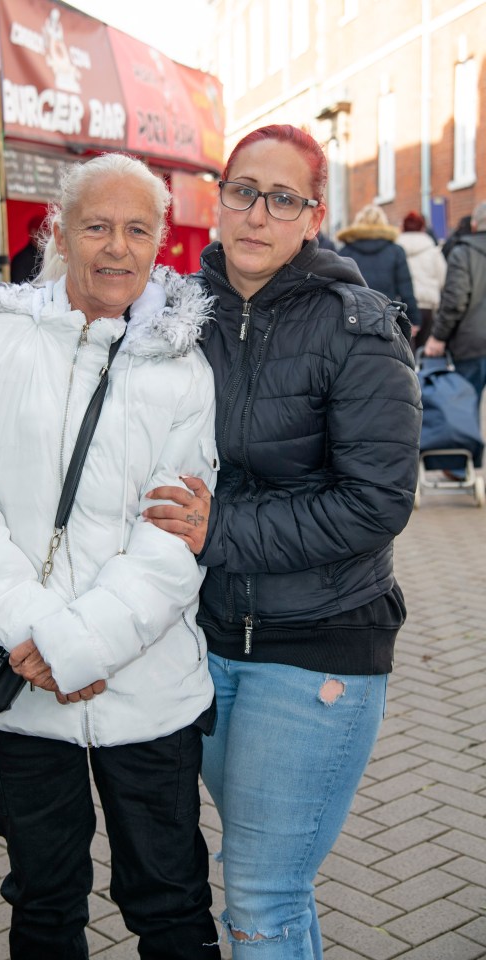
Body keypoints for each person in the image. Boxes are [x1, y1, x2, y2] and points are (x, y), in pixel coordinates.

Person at [0, 153, 221, 960]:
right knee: (46, 903)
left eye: (138, 230)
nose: (117, 248)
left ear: (160, 245)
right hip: (18, 688)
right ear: (57, 230)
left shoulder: (182, 369)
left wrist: (76, 647)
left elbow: (174, 533)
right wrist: (39, 641)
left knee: (169, 904)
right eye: (97, 226)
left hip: (146, 690)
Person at [143, 124, 422, 958]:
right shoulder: (175, 318)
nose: (257, 213)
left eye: (283, 198)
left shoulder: (359, 326)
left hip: (316, 649)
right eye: (242, 191)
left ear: (312, 214)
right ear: (217, 197)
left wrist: (217, 528)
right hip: (201, 643)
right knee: (271, 881)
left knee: (261, 894)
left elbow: (378, 501)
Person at [424, 200, 486, 418]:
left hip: (471, 343)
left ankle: (471, 452)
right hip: (473, 343)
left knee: (467, 408)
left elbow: (455, 301)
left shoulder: (463, 253)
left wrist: (438, 337)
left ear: (475, 225)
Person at [337, 203, 420, 336]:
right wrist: (413, 320)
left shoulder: (345, 251)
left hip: (353, 319)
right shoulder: (395, 251)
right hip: (387, 319)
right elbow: (406, 289)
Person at [397, 210, 447, 350]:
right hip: (427, 307)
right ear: (423, 228)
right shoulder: (433, 251)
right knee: (423, 352)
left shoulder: (396, 249)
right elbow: (444, 280)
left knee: (403, 352)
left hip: (402, 305)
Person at [10, 213, 44, 283]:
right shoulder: (21, 260)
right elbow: (19, 288)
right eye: (44, 232)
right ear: (34, 233)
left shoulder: (48, 256)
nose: (48, 237)